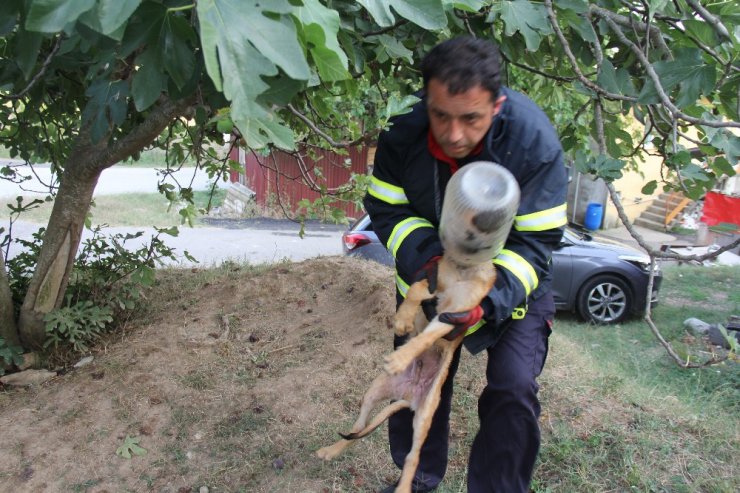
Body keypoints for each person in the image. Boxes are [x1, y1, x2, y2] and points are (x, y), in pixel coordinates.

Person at [363, 37, 568, 492]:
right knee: (418, 379)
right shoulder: (403, 129)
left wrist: (486, 301)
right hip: (427, 279)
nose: (454, 134)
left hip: (513, 284)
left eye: (471, 118)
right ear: (426, 100)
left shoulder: (533, 143)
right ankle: (415, 480)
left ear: (496, 105)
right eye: (441, 115)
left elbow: (536, 243)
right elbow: (386, 209)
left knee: (513, 388)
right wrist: (429, 263)